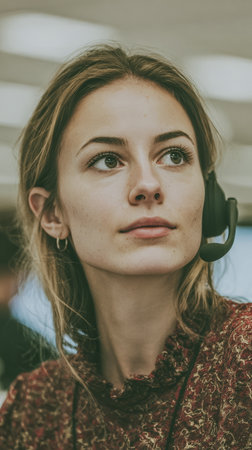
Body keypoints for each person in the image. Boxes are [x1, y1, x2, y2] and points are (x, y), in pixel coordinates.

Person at [0, 44, 251, 449]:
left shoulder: (244, 362)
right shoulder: (34, 410)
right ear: (52, 214)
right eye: (107, 161)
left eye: (173, 155)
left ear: (211, 199)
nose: (148, 185)